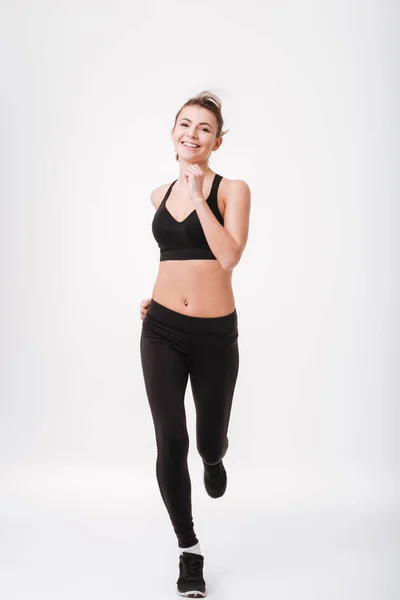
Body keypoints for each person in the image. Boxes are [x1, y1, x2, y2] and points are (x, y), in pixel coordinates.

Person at [139, 90, 251, 598]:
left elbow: (228, 257)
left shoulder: (233, 189)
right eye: (185, 125)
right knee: (170, 440)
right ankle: (189, 549)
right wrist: (158, 300)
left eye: (204, 128)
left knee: (207, 440)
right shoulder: (158, 193)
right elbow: (173, 258)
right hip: (161, 328)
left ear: (217, 141)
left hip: (214, 335)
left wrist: (199, 193)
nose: (192, 133)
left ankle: (214, 456)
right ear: (172, 133)